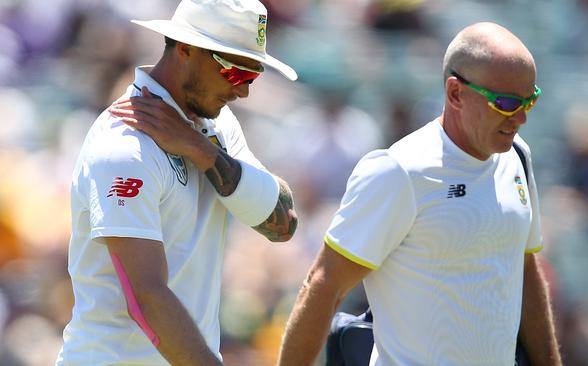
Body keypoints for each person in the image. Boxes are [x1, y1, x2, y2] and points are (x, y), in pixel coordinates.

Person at [277, 22, 562, 366]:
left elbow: (525, 270)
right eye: (505, 103)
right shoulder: (398, 170)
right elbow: (324, 286)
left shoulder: (518, 156)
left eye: (529, 101)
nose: (520, 118)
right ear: (455, 93)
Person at [56, 0, 298, 365]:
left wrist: (200, 150)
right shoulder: (124, 146)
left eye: (254, 76)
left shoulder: (216, 128)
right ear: (185, 49)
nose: (244, 92)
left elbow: (283, 222)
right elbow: (147, 298)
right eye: (235, 74)